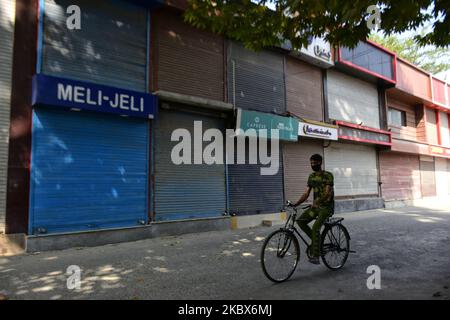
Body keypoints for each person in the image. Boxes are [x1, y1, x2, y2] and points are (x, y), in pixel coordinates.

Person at [293, 154, 334, 265]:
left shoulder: (328, 175)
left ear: (320, 162)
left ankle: (316, 256)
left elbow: (327, 193)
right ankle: (317, 242)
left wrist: (316, 202)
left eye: (315, 163)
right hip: (316, 207)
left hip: (326, 208)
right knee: (300, 221)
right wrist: (296, 203)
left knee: (316, 227)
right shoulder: (311, 177)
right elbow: (306, 193)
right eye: (311, 163)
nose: (313, 165)